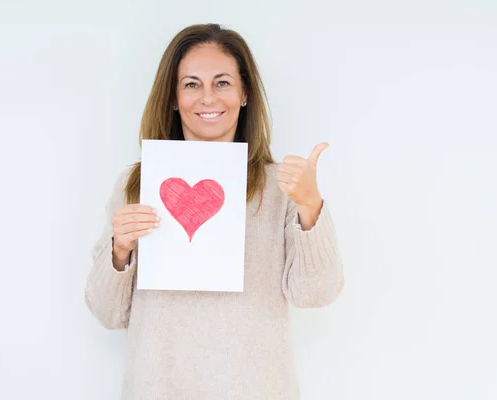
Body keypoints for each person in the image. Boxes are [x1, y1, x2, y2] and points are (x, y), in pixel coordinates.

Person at [85, 23, 344, 399]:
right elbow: (108, 314)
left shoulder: (281, 186)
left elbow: (316, 294)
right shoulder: (136, 185)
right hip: (158, 388)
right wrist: (119, 251)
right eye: (191, 84)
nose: (208, 97)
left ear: (244, 94)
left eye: (222, 83)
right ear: (173, 97)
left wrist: (310, 205)